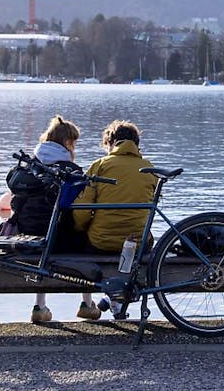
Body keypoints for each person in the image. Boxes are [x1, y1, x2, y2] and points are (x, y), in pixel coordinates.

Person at [3, 115, 99, 324]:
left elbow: (16, 204)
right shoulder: (71, 171)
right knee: (85, 239)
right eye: (74, 143)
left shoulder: (30, 166)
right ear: (68, 142)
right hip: (58, 238)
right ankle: (87, 303)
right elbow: (78, 211)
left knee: (44, 249)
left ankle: (39, 306)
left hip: (26, 236)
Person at [70, 120, 157, 317]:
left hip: (100, 243)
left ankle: (103, 300)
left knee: (81, 242)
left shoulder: (100, 165)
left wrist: (81, 229)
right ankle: (115, 300)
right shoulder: (149, 168)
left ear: (110, 143)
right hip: (137, 244)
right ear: (136, 144)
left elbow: (82, 211)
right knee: (141, 239)